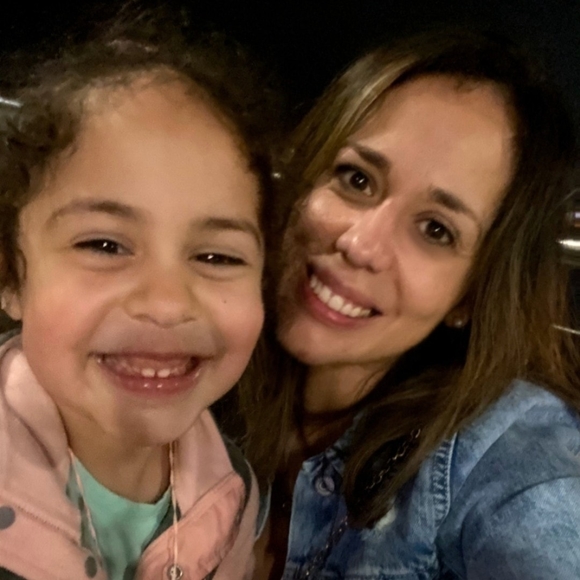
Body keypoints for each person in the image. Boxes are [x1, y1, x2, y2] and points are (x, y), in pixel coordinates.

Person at [245, 30, 580, 579]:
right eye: (356, 178)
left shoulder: (505, 456)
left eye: (435, 229)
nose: (360, 244)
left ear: (471, 296)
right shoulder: (203, 372)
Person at [0, 14, 279, 580]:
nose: (167, 303)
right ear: (11, 276)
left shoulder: (234, 497)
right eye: (104, 245)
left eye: (217, 257)